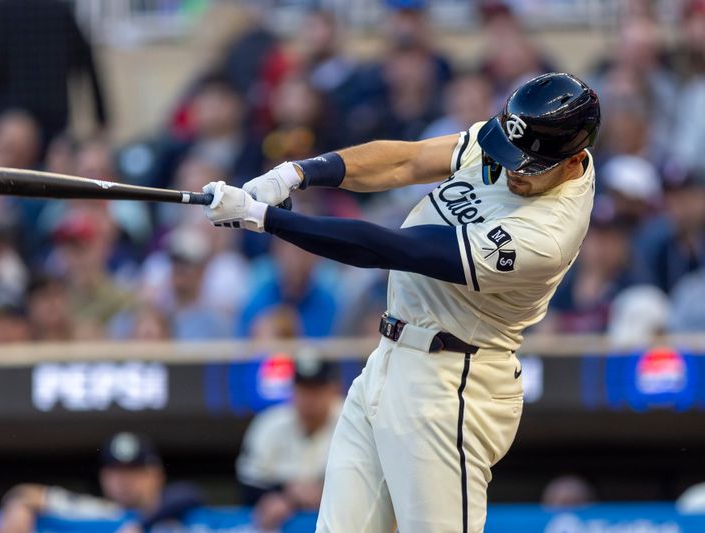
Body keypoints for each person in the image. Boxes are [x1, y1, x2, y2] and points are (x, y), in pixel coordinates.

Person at [202, 72, 601, 532]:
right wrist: (295, 173)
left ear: (572, 163)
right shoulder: (520, 139)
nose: (512, 169)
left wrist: (264, 218)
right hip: (387, 362)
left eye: (528, 166)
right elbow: (405, 162)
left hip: (452, 384)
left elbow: (394, 248)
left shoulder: (547, 235)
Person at [0, 432, 203, 533]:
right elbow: (27, 493)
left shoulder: (170, 507)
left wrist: (140, 524)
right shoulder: (97, 510)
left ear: (156, 475)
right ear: (103, 476)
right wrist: (17, 507)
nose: (124, 481)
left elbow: (189, 493)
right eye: (116, 472)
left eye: (134, 471)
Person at [0, 0, 108, 145]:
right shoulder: (59, 10)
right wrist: (101, 116)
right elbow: (87, 63)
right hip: (53, 123)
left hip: (13, 122)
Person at [236, 357, 342, 531]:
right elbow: (247, 483)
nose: (309, 399)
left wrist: (313, 494)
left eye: (316, 390)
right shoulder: (270, 423)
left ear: (334, 389)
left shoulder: (353, 420)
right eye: (303, 389)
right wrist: (287, 492)